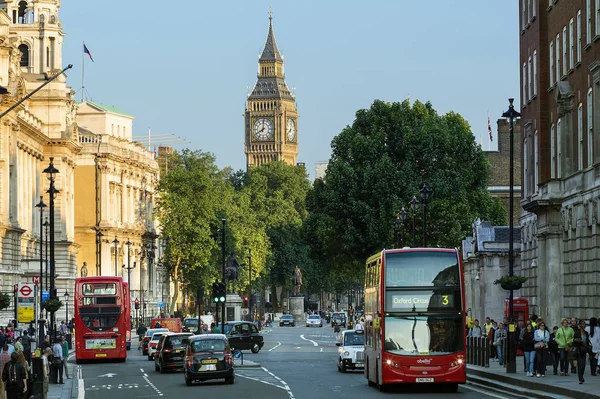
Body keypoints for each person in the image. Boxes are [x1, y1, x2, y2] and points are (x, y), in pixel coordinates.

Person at [574, 319, 589, 384]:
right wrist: (578, 340)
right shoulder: (577, 332)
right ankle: (580, 378)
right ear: (580, 325)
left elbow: (588, 341)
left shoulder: (586, 333)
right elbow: (573, 340)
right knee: (580, 365)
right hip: (579, 350)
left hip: (584, 350)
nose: (584, 325)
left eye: (585, 324)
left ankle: (582, 376)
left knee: (584, 365)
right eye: (583, 324)